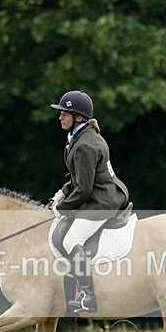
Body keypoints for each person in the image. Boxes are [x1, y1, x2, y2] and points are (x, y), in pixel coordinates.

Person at [49, 90, 129, 313]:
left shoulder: (85, 144)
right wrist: (63, 193)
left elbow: (83, 190)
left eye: (65, 114)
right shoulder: (81, 137)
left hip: (102, 200)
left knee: (71, 239)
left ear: (78, 117)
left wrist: (62, 207)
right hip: (101, 192)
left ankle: (88, 296)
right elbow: (79, 177)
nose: (60, 118)